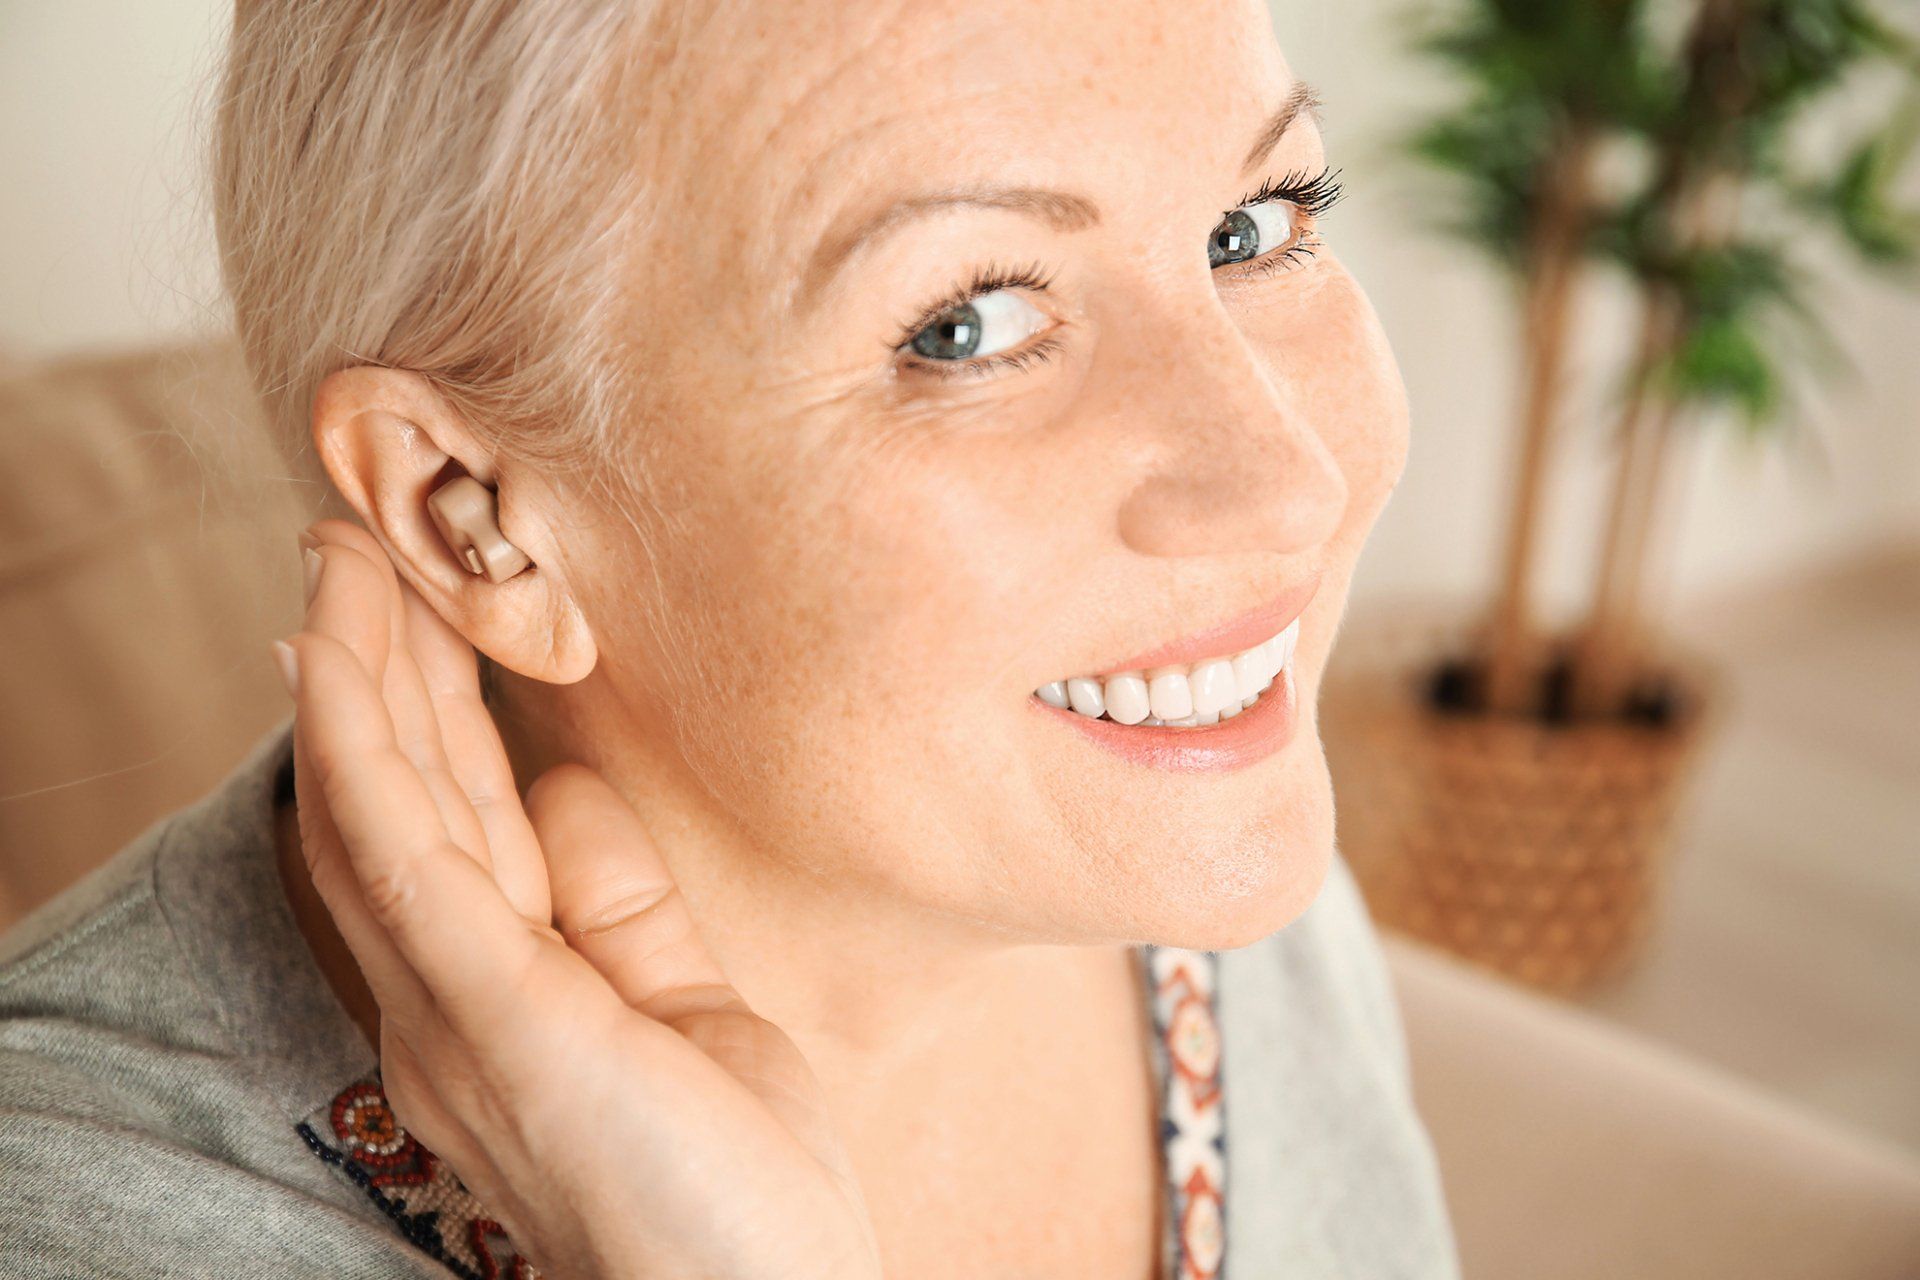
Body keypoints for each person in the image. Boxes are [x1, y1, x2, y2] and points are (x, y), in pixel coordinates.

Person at [0, 2, 1457, 1277]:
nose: (1285, 483)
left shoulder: (1157, 779)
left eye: (1251, 226)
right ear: (474, 520)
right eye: (969, 325)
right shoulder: (78, 1221)